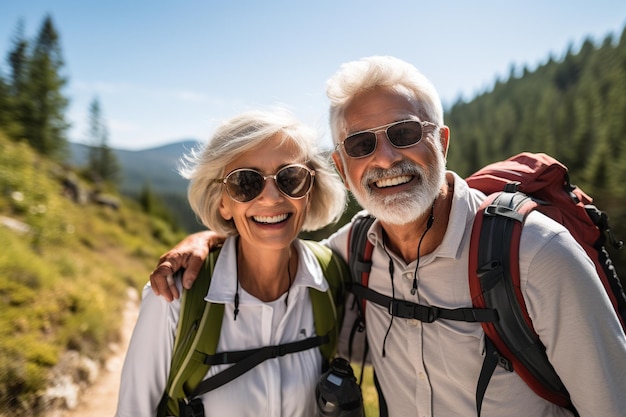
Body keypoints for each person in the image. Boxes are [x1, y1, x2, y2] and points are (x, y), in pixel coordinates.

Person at [148, 56, 626, 417]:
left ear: (440, 142)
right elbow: (271, 244)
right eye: (360, 144)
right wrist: (208, 239)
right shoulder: (349, 255)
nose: (383, 159)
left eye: (403, 133)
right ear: (342, 167)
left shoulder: (537, 255)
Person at [115, 109, 348, 417]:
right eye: (245, 183)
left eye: (290, 178)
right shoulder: (174, 297)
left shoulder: (333, 276)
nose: (271, 197)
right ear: (222, 202)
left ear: (310, 190)